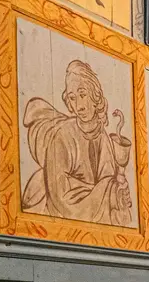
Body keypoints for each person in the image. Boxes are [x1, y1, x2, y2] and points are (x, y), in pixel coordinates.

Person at [22, 60, 133, 225]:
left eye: (83, 95)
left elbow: (108, 181)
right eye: (73, 98)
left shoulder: (103, 137)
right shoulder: (62, 137)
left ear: (95, 96)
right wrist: (109, 194)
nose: (79, 105)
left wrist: (118, 193)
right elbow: (61, 197)